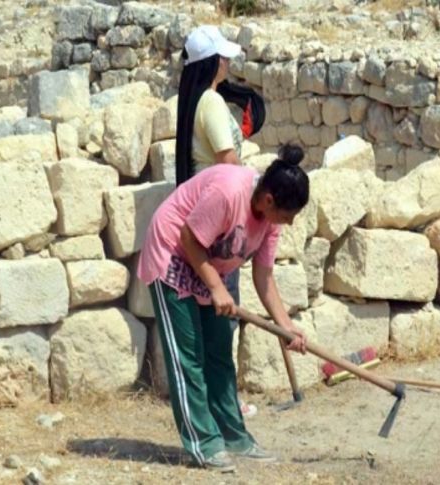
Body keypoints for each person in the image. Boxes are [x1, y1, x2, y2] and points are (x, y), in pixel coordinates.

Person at [137, 144, 310, 472]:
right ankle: (203, 444)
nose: (286, 223)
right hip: (173, 256)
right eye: (286, 216)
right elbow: (189, 238)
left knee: (219, 352)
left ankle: (233, 436)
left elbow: (264, 276)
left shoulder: (270, 221)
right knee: (187, 357)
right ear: (269, 199)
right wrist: (216, 287)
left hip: (206, 265)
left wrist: (286, 326)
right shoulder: (229, 192)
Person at [174, 24, 267, 418]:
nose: (228, 62)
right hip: (220, 215)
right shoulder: (210, 104)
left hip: (209, 212)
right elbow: (227, 162)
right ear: (213, 61)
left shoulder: (202, 99)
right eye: (223, 56)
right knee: (223, 316)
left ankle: (218, 399)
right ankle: (224, 402)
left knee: (214, 318)